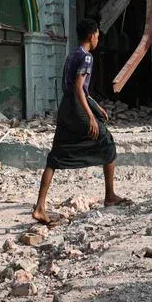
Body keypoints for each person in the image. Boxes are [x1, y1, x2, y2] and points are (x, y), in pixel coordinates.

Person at [32, 18, 128, 224]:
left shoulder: (72, 55)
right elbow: (78, 87)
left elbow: (79, 89)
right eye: (98, 35)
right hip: (76, 108)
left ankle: (40, 207)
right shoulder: (87, 58)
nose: (98, 39)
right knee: (107, 142)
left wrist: (96, 107)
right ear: (92, 36)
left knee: (55, 156)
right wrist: (90, 115)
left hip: (66, 108)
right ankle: (110, 196)